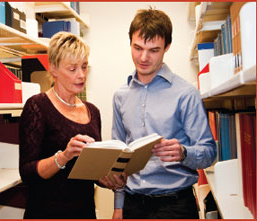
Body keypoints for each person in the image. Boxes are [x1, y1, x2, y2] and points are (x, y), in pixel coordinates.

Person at [111, 8, 217, 219]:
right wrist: (118, 205)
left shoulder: (186, 94)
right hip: (133, 205)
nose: (143, 57)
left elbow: (209, 152)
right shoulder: (120, 96)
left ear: (167, 47)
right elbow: (119, 158)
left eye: (153, 50)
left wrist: (183, 153)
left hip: (176, 206)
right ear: (130, 42)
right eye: (137, 47)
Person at [19, 32, 123, 219]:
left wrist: (110, 180)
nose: (81, 75)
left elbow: (91, 173)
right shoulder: (37, 106)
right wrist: (65, 156)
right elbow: (27, 173)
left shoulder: (93, 112)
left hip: (84, 212)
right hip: (46, 212)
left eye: (84, 67)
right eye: (72, 69)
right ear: (53, 69)